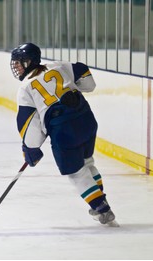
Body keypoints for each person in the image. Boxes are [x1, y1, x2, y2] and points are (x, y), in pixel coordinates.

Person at [10, 42, 119, 227]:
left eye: (20, 62)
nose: (17, 67)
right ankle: (101, 199)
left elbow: (30, 124)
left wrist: (30, 148)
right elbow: (86, 79)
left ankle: (101, 208)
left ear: (30, 62)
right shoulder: (58, 65)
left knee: (76, 172)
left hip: (64, 131)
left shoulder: (26, 88)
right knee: (87, 162)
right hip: (86, 120)